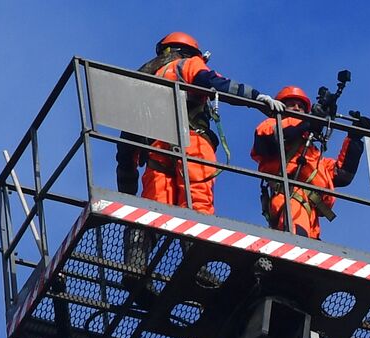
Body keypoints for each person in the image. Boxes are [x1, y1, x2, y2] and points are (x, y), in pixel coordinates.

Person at [115, 31, 281, 214]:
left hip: (157, 150)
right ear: (191, 52)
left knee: (153, 210)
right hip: (192, 142)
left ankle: (140, 238)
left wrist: (127, 192)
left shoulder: (145, 84)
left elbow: (126, 146)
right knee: (197, 202)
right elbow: (215, 83)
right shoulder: (187, 64)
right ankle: (194, 242)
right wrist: (257, 98)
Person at [250, 86, 369, 239]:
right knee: (296, 247)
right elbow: (269, 139)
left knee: (307, 252)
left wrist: (355, 138)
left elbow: (343, 175)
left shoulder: (314, 156)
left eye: (301, 106)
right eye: (291, 104)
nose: (297, 108)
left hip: (311, 212)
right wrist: (308, 123)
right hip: (291, 199)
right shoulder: (271, 124)